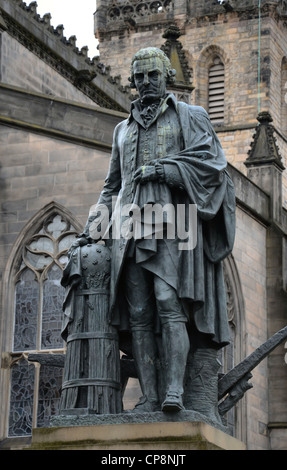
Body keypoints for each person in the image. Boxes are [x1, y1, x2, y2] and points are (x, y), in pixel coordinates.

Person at [72, 47, 236, 420]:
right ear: (132, 80)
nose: (146, 82)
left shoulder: (190, 117)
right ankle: (149, 397)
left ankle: (175, 390)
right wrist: (92, 229)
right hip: (128, 228)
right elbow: (112, 185)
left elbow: (213, 166)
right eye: (140, 76)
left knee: (168, 302)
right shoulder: (122, 130)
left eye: (153, 76)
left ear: (166, 77)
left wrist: (165, 172)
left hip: (174, 225)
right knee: (141, 312)